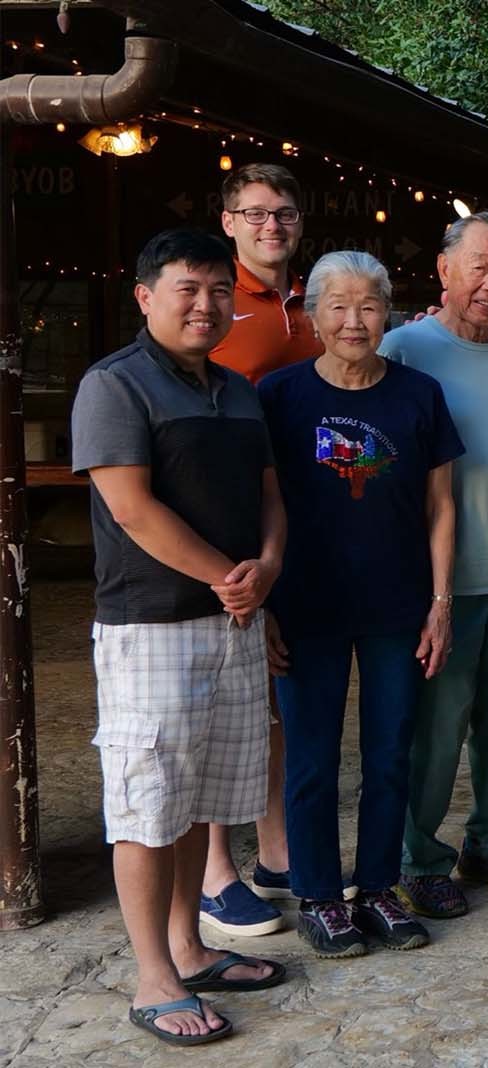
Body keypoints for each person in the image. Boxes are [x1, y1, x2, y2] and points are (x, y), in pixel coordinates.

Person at [72, 228, 289, 1045]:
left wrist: (266, 564)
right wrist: (227, 576)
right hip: (151, 625)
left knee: (202, 799)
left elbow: (271, 492)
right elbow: (132, 508)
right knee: (147, 803)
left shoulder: (236, 390)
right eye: (187, 289)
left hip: (233, 617)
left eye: (218, 290)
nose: (206, 305)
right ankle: (153, 977)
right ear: (145, 297)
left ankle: (191, 949)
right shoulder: (114, 385)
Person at [257, 251, 463, 958]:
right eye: (337, 306)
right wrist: (265, 605)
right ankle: (318, 894)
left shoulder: (417, 395)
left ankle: (377, 886)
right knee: (311, 758)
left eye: (368, 304)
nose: (353, 320)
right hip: (305, 605)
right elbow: (263, 505)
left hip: (397, 604)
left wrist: (440, 602)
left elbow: (442, 506)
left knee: (390, 752)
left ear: (389, 313)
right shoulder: (279, 397)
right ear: (313, 316)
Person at [384, 212, 488, 918]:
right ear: (445, 269)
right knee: (433, 729)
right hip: (437, 584)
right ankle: (418, 858)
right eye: (479, 266)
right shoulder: (402, 348)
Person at [198, 163, 323, 938]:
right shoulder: (214, 305)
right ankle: (216, 873)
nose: (270, 225)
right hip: (234, 533)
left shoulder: (317, 304)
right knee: (224, 706)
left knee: (283, 703)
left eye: (283, 213)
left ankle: (277, 855)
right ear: (229, 221)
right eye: (255, 213)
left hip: (309, 530)